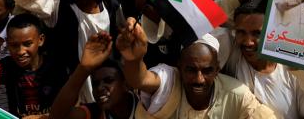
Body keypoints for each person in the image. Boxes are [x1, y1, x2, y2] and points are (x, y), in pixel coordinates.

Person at [116, 17, 276, 119]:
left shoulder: (236, 94)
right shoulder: (169, 82)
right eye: (191, 70)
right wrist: (134, 60)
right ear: (179, 66)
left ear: (217, 69)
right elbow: (141, 80)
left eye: (207, 71)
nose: (199, 79)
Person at [0, 13, 70, 118]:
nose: (21, 51)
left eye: (27, 44)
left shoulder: (56, 67)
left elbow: (70, 107)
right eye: (14, 45)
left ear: (40, 40)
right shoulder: (8, 66)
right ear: (7, 43)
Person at [49, 32, 138, 119]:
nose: (100, 88)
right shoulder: (94, 112)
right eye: (95, 84)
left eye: (108, 80)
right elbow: (56, 116)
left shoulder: (145, 103)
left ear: (126, 84)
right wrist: (83, 68)